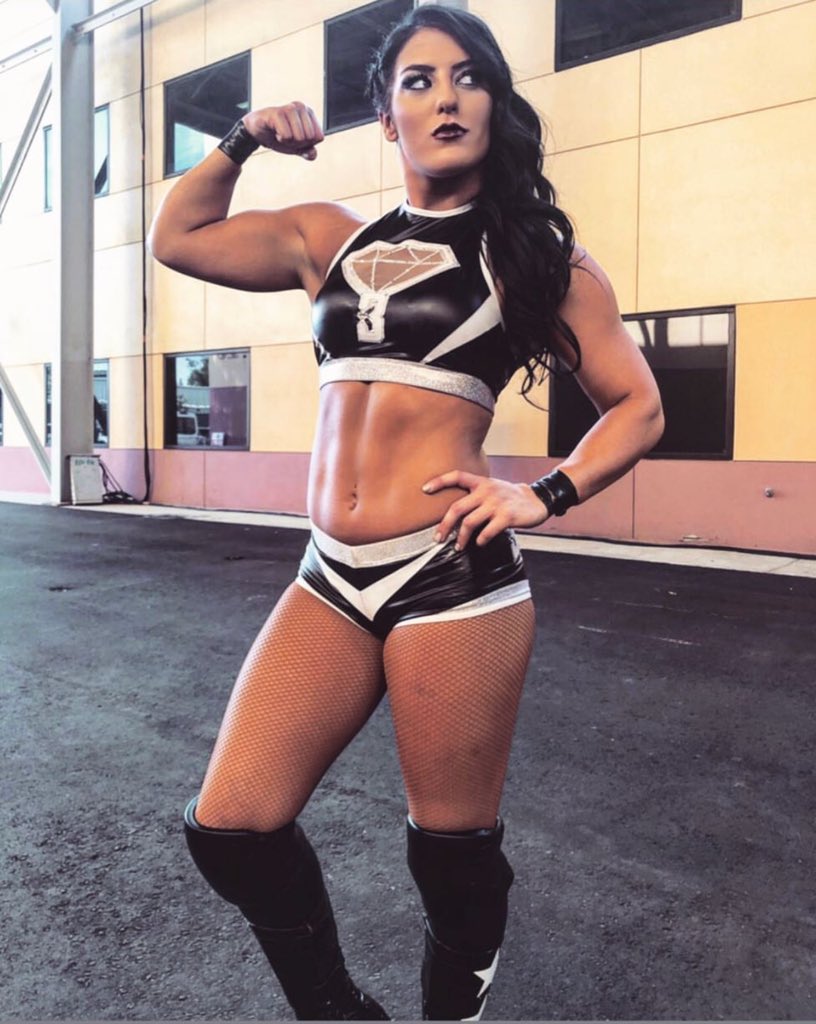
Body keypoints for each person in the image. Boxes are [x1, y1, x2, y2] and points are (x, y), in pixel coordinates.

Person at [149, 6, 663, 1020]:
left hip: (452, 576)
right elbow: (179, 237)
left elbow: (637, 406)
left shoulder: (535, 258)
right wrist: (243, 138)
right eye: (419, 81)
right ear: (387, 117)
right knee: (231, 828)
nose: (447, 98)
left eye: (470, 78)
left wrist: (544, 493)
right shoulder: (328, 238)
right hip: (328, 576)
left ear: (495, 104)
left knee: (451, 855)